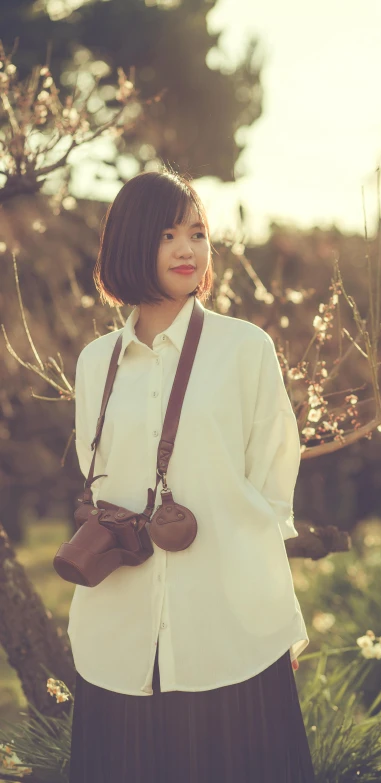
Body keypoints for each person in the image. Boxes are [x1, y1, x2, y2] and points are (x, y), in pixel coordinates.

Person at [67, 168, 316, 782]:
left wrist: (254, 579)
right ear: (127, 244)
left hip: (228, 619)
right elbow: (93, 470)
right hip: (120, 620)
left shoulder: (244, 347)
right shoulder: (96, 362)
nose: (187, 248)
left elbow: (272, 473)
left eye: (197, 233)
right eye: (166, 234)